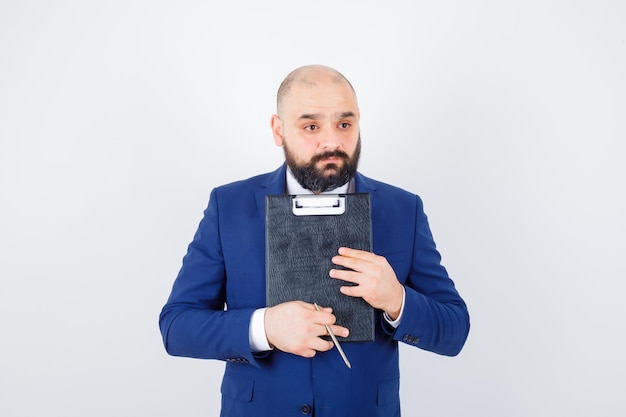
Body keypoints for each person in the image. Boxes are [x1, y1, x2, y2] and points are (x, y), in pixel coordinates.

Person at [159, 65, 470, 417]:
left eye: (344, 124)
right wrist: (266, 328)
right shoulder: (228, 206)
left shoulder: (402, 209)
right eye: (310, 126)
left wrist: (397, 299)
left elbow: (454, 330)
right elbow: (177, 326)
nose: (332, 141)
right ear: (279, 130)